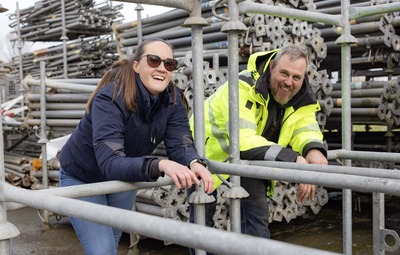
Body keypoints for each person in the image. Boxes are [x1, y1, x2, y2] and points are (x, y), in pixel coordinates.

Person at [59, 38, 214, 255]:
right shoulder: (111, 98)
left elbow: (181, 142)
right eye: (153, 60)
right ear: (136, 65)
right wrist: (160, 164)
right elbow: (110, 161)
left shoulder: (173, 99)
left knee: (112, 242)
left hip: (124, 176)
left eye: (169, 64)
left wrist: (194, 161)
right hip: (82, 177)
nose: (162, 68)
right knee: (102, 251)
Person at [190, 44, 327, 246]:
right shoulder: (242, 88)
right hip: (206, 155)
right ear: (272, 67)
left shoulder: (300, 96)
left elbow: (304, 127)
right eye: (284, 73)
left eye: (296, 77)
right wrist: (296, 160)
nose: (289, 82)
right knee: (203, 218)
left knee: (257, 216)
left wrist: (313, 150)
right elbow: (242, 140)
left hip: (248, 158)